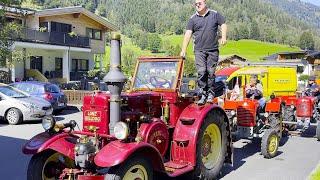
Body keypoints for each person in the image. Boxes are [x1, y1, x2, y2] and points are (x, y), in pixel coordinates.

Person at [180, 0, 227, 105]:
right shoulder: (193, 19)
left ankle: (211, 93)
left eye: (199, 3)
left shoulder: (214, 14)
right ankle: (203, 93)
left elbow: (223, 24)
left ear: (205, 3)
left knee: (210, 72)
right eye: (196, 4)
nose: (197, 5)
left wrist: (223, 37)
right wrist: (183, 49)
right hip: (199, 50)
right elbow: (188, 34)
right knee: (201, 71)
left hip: (212, 50)